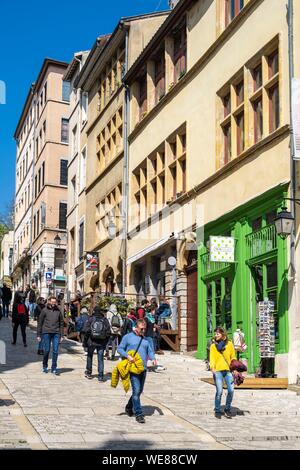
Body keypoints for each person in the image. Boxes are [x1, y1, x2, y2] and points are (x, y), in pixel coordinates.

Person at [117, 318, 157, 423]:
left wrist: (153, 359)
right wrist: (127, 356)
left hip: (143, 368)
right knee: (136, 391)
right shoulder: (128, 337)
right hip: (133, 369)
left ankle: (129, 407)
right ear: (136, 327)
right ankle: (139, 413)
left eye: (144, 329)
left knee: (138, 391)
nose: (143, 331)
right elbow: (120, 348)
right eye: (141, 329)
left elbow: (150, 351)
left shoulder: (146, 339)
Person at [210, 327, 237, 419]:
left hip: (228, 370)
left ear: (223, 334)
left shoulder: (229, 344)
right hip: (217, 371)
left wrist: (235, 367)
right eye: (215, 334)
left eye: (218, 334)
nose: (216, 335)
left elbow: (233, 356)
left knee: (231, 390)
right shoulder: (213, 346)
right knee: (219, 391)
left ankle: (227, 408)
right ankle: (217, 410)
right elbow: (212, 358)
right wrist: (212, 368)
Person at [82, 306, 111, 381]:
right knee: (100, 359)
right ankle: (101, 376)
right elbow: (108, 333)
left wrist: (85, 342)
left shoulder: (91, 319)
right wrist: (105, 342)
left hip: (91, 341)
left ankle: (89, 372)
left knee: (90, 356)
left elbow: (86, 331)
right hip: (101, 343)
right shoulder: (104, 319)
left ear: (94, 311)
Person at [37, 296, 64, 375]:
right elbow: (40, 323)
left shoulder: (58, 311)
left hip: (56, 333)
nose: (53, 303)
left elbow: (61, 323)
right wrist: (38, 334)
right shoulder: (44, 310)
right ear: (48, 301)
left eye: (54, 302)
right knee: (47, 350)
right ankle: (45, 366)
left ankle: (54, 367)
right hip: (46, 333)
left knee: (55, 351)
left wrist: (62, 335)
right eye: (52, 302)